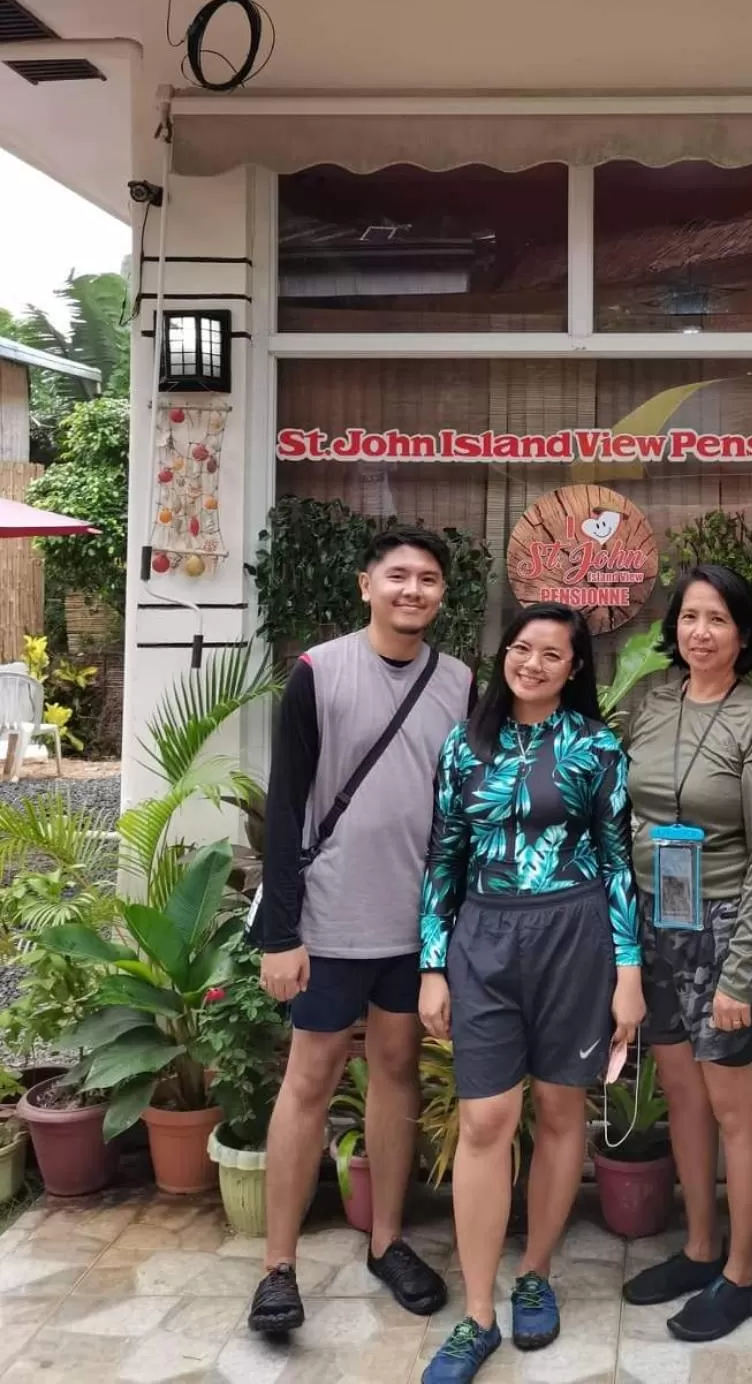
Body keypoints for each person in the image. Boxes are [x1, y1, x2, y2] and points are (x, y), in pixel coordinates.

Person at [248, 527, 474, 1336]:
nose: (413, 590)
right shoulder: (318, 671)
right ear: (365, 586)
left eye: (429, 580)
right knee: (308, 1079)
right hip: (331, 918)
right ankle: (278, 1267)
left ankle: (386, 1241)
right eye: (398, 576)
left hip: (414, 926)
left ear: (442, 596)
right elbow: (285, 806)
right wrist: (281, 933)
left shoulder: (460, 683)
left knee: (397, 1071)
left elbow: (462, 810)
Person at [418, 603, 645, 1384]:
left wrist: (629, 974)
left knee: (559, 1110)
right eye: (522, 647)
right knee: (486, 1117)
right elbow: (441, 859)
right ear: (503, 655)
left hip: (574, 938)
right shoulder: (463, 746)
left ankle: (536, 1272)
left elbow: (618, 865)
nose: (534, 662)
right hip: (484, 940)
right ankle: (476, 1313)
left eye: (553, 653)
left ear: (575, 667)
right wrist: (432, 963)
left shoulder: (597, 748)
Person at [621, 564, 752, 1342]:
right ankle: (698, 1246)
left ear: (742, 634)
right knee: (683, 1093)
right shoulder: (650, 705)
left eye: (717, 619)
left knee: (733, 1105)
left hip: (722, 926)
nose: (700, 633)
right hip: (653, 920)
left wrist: (743, 966)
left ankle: (743, 1275)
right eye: (689, 617)